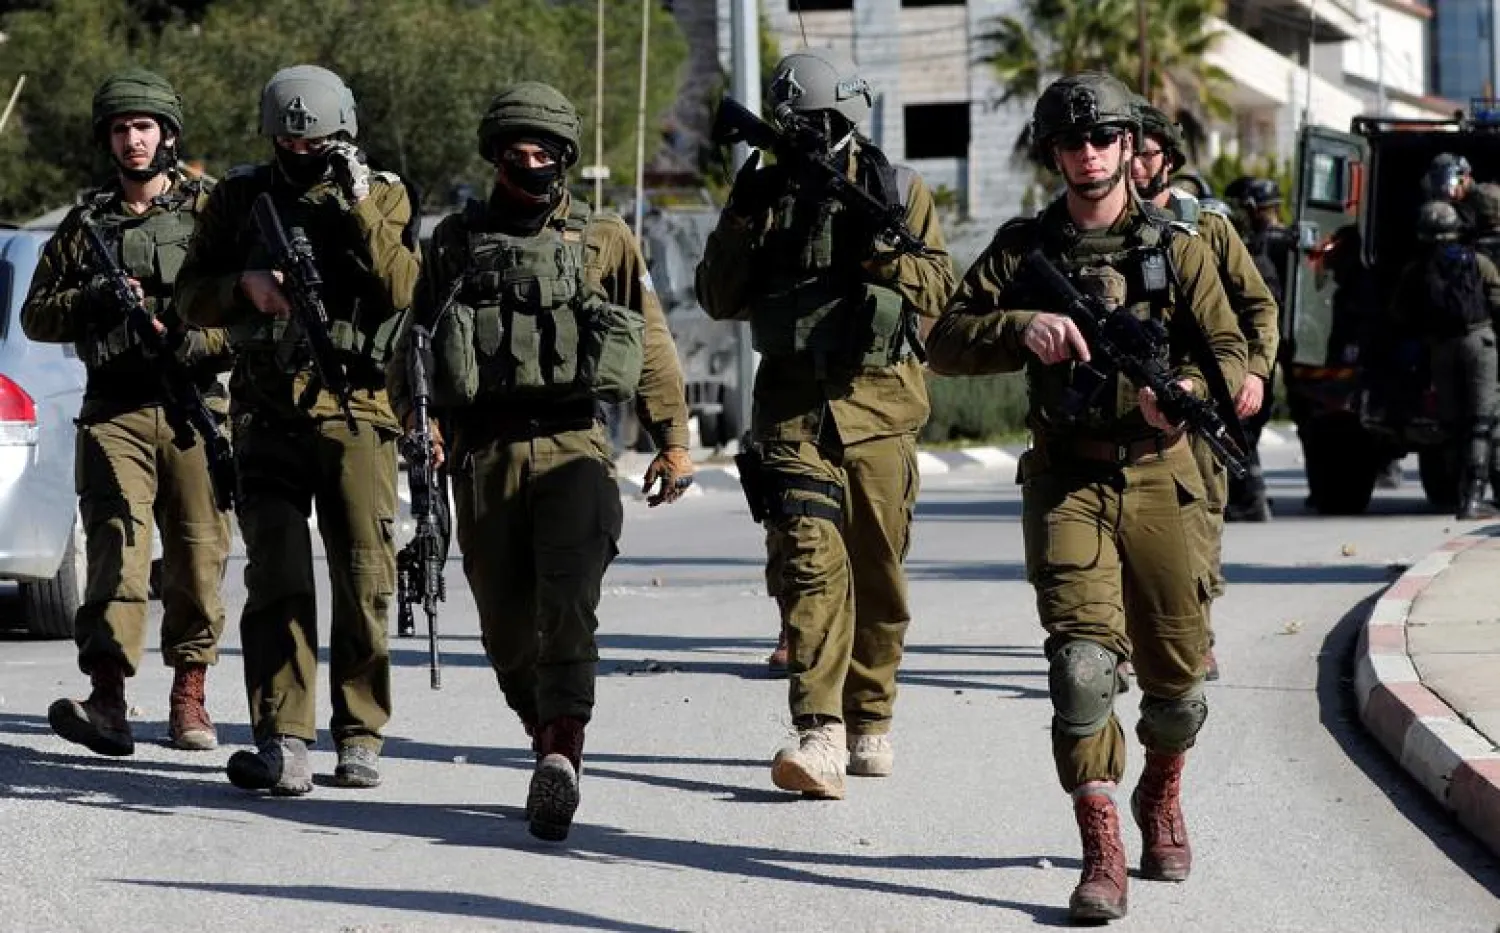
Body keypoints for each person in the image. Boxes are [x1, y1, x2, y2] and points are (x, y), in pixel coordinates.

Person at [926, 73, 1246, 922]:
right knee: (1081, 668)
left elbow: (1230, 349)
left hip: (1162, 474)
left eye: (1103, 138)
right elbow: (944, 339)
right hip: (1067, 479)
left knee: (1179, 688)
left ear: (1127, 146)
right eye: (1073, 141)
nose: (1090, 153)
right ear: (1054, 153)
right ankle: (1100, 844)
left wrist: (1185, 389)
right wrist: (1019, 326)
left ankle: (1160, 793)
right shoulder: (1023, 248)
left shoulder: (1177, 246)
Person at [388, 82, 695, 842]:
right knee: (504, 626)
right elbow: (414, 347)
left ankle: (563, 746)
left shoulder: (603, 239)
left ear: (565, 157)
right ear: (494, 157)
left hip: (574, 446)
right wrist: (420, 423)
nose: (529, 163)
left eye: (543, 152)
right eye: (516, 151)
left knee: (567, 605)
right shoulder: (454, 242)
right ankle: (542, 728)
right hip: (482, 454)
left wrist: (673, 439)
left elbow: (649, 339)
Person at [695, 48, 955, 800]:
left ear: (845, 118)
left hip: (880, 410)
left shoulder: (898, 189)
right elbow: (717, 297)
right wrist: (744, 216)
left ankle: (870, 715)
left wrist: (881, 254)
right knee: (809, 564)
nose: (805, 133)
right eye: (793, 122)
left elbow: (941, 285)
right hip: (791, 414)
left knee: (880, 575)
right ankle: (820, 729)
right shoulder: (764, 191)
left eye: (815, 121)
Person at [176, 65, 420, 795]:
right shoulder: (241, 198)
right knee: (277, 577)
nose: (301, 152)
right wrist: (242, 289)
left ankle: (360, 732)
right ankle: (284, 736)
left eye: (316, 142)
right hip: (267, 411)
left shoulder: (383, 192)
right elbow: (189, 296)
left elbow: (401, 286)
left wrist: (357, 202)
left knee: (364, 575)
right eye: (289, 141)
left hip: (356, 411)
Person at [22, 69, 232, 758]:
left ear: (167, 134)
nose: (132, 140)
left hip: (195, 408)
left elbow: (251, 309)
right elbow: (35, 316)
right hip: (114, 411)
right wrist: (94, 302)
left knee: (198, 556)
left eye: (143, 127)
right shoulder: (86, 225)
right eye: (120, 129)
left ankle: (189, 693)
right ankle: (108, 698)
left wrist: (193, 340)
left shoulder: (212, 212)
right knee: (117, 551)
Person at [1131, 104, 1280, 682]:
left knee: (1197, 520)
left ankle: (1198, 634)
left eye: (1148, 153)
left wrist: (1255, 372)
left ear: (1169, 159)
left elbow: (1258, 306)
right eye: (1129, 151)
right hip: (1125, 397)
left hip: (1199, 396)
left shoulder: (1209, 228)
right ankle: (1116, 640)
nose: (1136, 164)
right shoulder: (1102, 226)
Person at [1391, 201, 1500, 519]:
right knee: (1482, 421)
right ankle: (1475, 498)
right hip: (1479, 342)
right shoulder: (1478, 262)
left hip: (1440, 349)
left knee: (1452, 425)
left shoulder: (1415, 270)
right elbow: (1497, 302)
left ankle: (1460, 492)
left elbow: (1398, 313)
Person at [1222, 176, 1290, 519]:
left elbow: (1263, 307)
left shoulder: (1258, 254)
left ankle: (1251, 496)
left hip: (1258, 352)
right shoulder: (1285, 243)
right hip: (1271, 349)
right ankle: (1250, 494)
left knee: (1242, 426)